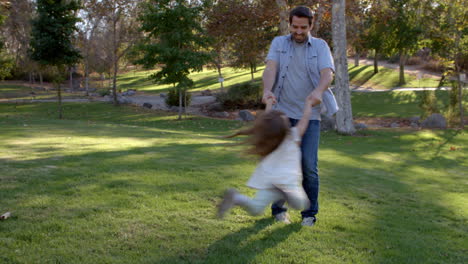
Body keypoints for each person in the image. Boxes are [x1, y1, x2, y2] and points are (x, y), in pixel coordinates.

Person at [262, 6, 335, 226]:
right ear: (289, 24)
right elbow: (270, 68)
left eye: (303, 27)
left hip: (309, 115)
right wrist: (267, 89)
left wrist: (318, 91)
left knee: (308, 166)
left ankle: (309, 214)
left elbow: (327, 73)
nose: (299, 31)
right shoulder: (279, 43)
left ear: (311, 25)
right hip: (281, 113)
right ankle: (278, 210)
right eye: (295, 26)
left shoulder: (321, 46)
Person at [217, 98, 313, 219]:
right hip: (288, 182)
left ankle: (236, 197)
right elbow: (304, 121)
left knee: (255, 209)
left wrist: (268, 104)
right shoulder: (293, 136)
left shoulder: (266, 142)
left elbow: (266, 121)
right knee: (301, 204)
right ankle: (287, 194)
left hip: (271, 183)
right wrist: (308, 105)